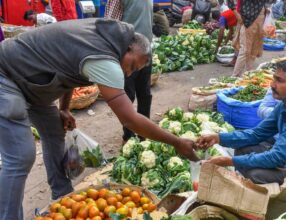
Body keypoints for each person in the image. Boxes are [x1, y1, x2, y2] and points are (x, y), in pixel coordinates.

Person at [0, 18, 198, 220]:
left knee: (54, 131)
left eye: (133, 71)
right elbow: (129, 119)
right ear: (128, 48)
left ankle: (63, 197)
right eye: (131, 65)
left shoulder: (106, 38)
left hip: (33, 84)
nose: (127, 73)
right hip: (6, 75)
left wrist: (65, 108)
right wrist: (176, 142)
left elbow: (69, 69)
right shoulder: (104, 57)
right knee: (20, 156)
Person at [197, 55, 286, 195]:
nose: (272, 85)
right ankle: (256, 191)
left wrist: (228, 160)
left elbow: (277, 157)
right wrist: (218, 138)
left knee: (256, 174)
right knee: (244, 149)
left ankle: (267, 203)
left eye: (279, 81)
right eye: (274, 79)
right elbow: (256, 134)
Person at [105, 0, 154, 143]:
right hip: (128, 55)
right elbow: (110, 24)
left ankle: (144, 133)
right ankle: (129, 136)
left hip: (145, 52)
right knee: (127, 96)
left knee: (145, 94)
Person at [227, 0, 267, 77]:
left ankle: (249, 75)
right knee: (245, 50)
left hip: (260, 15)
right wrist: (236, 14)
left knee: (253, 49)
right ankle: (234, 77)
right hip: (247, 17)